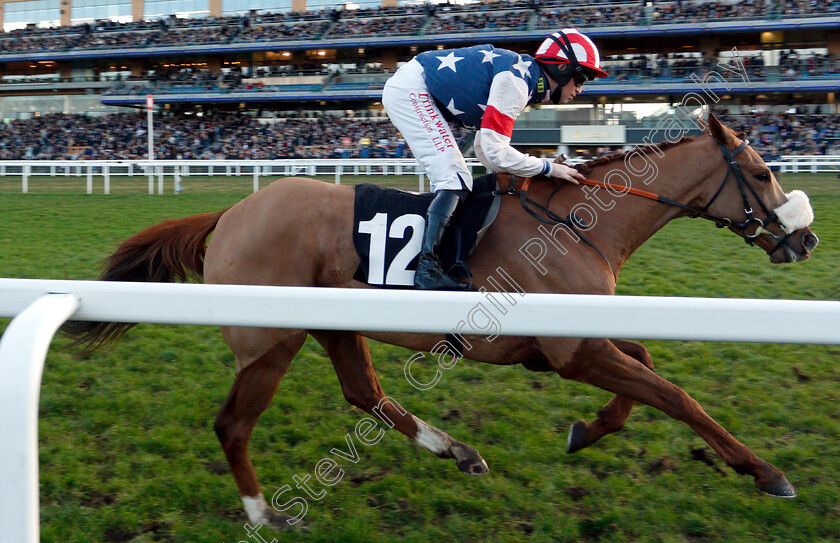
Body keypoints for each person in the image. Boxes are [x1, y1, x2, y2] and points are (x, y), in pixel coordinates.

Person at [382, 28, 608, 290]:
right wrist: (548, 168)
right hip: (412, 88)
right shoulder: (518, 81)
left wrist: (533, 170)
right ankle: (427, 268)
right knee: (454, 178)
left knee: (458, 177)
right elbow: (495, 152)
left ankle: (440, 257)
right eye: (581, 78)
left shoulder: (525, 76)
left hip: (414, 84)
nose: (580, 89)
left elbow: (485, 150)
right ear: (561, 68)